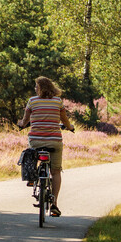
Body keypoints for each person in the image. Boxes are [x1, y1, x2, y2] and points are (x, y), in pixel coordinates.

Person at [17, 76, 74, 217]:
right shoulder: (58, 102)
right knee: (55, 172)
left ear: (40, 88)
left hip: (36, 140)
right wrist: (70, 127)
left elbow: (25, 121)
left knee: (32, 153)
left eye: (36, 86)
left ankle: (32, 178)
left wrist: (21, 124)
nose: (35, 89)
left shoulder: (32, 101)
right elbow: (65, 120)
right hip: (54, 141)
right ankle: (54, 204)